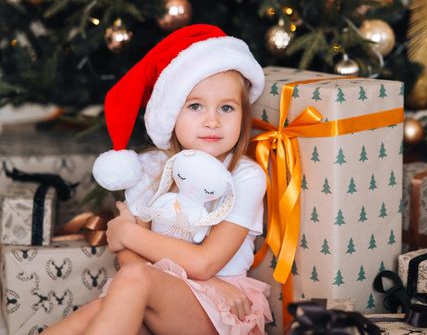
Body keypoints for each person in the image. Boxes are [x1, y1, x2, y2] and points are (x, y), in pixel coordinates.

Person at [43, 24, 271, 335]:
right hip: (157, 293)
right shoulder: (150, 167)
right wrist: (128, 241)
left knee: (134, 282)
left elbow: (205, 263)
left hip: (221, 306)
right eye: (195, 106)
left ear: (243, 115)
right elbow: (128, 259)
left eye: (227, 108)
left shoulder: (245, 176)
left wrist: (129, 234)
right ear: (171, 113)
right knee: (98, 308)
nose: (212, 121)